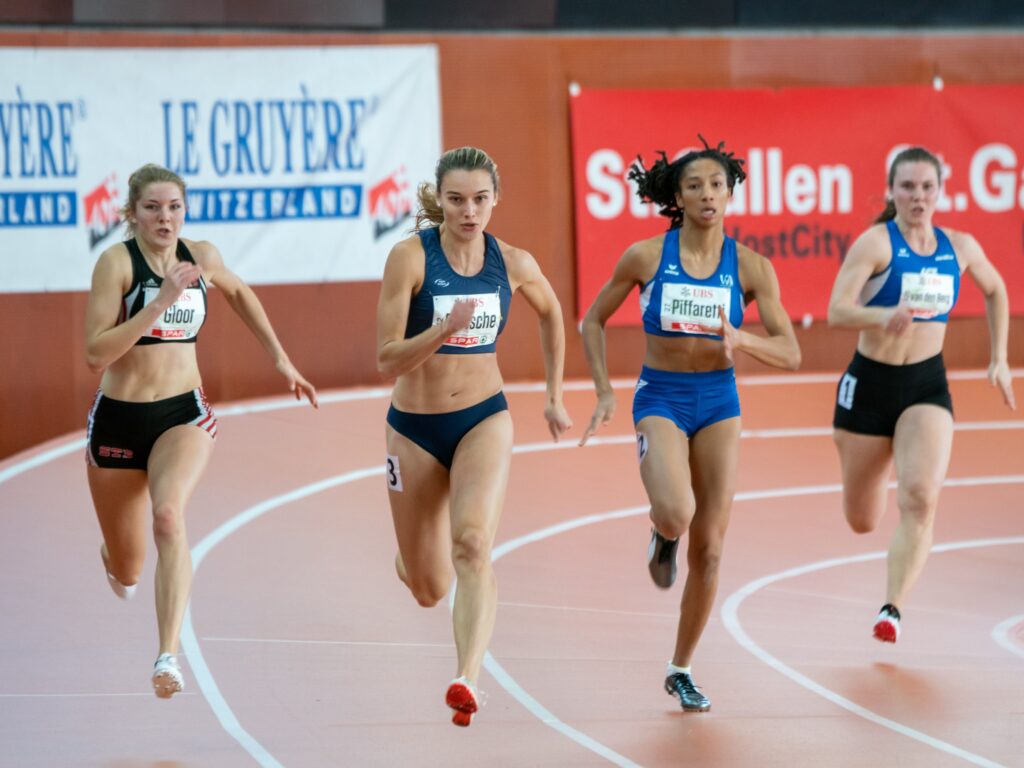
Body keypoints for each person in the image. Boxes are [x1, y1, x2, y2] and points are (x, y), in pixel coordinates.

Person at [580, 138, 800, 712]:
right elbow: (592, 321)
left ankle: (681, 668)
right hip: (662, 395)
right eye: (695, 185)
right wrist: (604, 390)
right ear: (676, 195)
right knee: (679, 511)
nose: (708, 194)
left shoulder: (751, 267)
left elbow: (791, 352)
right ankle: (662, 533)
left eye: (717, 185)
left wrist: (743, 339)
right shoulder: (647, 257)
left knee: (711, 549)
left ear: (731, 194)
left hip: (719, 402)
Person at [84, 163, 317, 698]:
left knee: (168, 516)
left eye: (174, 208)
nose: (165, 218)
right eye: (152, 208)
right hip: (119, 421)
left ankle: (168, 657)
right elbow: (96, 354)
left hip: (181, 414)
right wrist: (161, 300)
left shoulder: (201, 257)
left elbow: (238, 293)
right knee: (128, 569)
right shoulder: (116, 264)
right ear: (132, 214)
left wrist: (281, 360)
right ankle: (115, 558)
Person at [376, 146, 571, 726]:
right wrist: (442, 329)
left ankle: (467, 678)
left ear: (495, 200)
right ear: (439, 199)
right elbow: (387, 359)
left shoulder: (511, 261)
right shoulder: (409, 259)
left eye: (480, 199)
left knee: (473, 546)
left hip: (483, 417)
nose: (469, 211)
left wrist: (555, 394)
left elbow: (552, 314)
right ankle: (410, 557)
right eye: (457, 199)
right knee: (428, 587)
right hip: (413, 429)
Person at [827, 146, 1015, 643]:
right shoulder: (875, 245)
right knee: (863, 520)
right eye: (907, 187)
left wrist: (999, 358)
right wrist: (878, 317)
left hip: (925, 386)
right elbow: (837, 311)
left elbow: (997, 290)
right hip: (869, 387)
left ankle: (892, 609)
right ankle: (883, 457)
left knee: (920, 497)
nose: (918, 196)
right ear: (892, 191)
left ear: (940, 191)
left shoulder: (960, 246)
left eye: (927, 187)